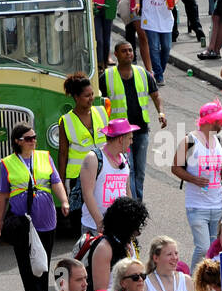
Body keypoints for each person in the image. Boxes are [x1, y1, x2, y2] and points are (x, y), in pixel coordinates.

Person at [0, 122, 70, 291]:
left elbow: (56, 181)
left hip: (46, 218)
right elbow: (3, 194)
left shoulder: (45, 156)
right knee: (26, 264)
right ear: (17, 141)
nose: (33, 141)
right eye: (28, 138)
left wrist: (64, 201)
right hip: (22, 222)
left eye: (34, 137)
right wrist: (0, 220)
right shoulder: (7, 163)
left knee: (43, 262)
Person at [101, 40, 165, 200]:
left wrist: (161, 113)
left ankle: (137, 203)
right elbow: (98, 103)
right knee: (129, 170)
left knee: (140, 172)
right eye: (124, 51)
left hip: (141, 130)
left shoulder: (142, 73)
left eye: (130, 50)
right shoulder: (107, 77)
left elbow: (156, 95)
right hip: (119, 134)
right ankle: (134, 205)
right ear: (116, 54)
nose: (128, 53)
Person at [171, 100, 222, 267]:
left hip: (217, 204)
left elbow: (219, 171)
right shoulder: (189, 140)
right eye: (219, 121)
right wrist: (194, 179)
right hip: (197, 206)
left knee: (216, 248)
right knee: (203, 247)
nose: (221, 125)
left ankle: (210, 279)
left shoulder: (218, 141)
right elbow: (175, 168)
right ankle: (193, 279)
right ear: (210, 120)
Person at [58, 72, 109, 234]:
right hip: (77, 178)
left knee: (103, 215)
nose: (91, 98)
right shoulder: (66, 121)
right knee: (79, 221)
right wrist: (61, 183)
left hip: (101, 172)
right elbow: (63, 154)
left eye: (92, 94)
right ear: (76, 97)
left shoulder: (101, 112)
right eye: (87, 96)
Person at [84, 197, 150, 291]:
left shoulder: (129, 242)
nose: (138, 232)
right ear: (124, 225)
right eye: (135, 226)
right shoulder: (104, 248)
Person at [79, 119, 135, 240]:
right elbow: (87, 194)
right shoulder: (93, 158)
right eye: (130, 138)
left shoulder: (125, 158)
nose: (131, 142)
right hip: (95, 229)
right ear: (121, 139)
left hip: (120, 228)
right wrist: (101, 224)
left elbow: (127, 190)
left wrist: (131, 218)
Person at [138, 0, 178, 84]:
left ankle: (158, 71)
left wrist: (172, 4)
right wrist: (137, 4)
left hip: (165, 17)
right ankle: (159, 76)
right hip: (150, 16)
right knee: (154, 47)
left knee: (166, 47)